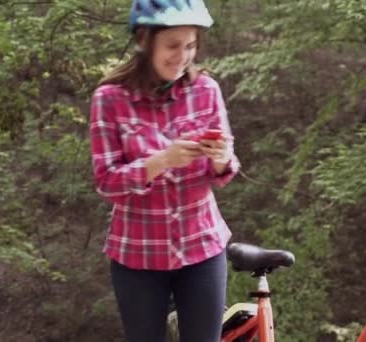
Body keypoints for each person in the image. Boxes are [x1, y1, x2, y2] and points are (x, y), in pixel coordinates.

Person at [89, 1, 239, 341]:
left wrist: (221, 158)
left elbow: (225, 172)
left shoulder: (206, 90)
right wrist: (159, 162)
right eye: (172, 46)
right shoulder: (109, 99)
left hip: (202, 247)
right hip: (137, 255)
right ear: (144, 40)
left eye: (190, 46)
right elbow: (106, 182)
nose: (182, 56)